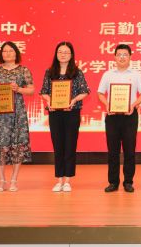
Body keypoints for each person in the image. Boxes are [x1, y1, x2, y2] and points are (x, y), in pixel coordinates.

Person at [0, 41, 35, 192]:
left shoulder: (23, 70)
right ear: (1, 54)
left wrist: (19, 89)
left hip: (17, 114)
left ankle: (14, 180)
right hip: (0, 114)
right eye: (4, 51)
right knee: (0, 146)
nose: (7, 53)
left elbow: (31, 90)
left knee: (18, 145)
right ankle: (2, 180)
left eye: (11, 51)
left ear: (16, 53)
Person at [97, 44, 141, 193]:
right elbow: (100, 93)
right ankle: (113, 182)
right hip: (112, 117)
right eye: (119, 54)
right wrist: (107, 104)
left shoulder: (136, 75)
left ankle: (128, 182)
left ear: (130, 57)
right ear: (114, 57)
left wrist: (133, 105)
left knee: (129, 151)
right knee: (112, 151)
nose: (122, 57)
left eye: (125, 54)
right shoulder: (108, 74)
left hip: (130, 116)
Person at [39, 41, 90, 193]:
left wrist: (73, 100)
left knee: (70, 145)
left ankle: (67, 180)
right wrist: (49, 101)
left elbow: (85, 91)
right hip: (55, 113)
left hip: (72, 113)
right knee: (58, 146)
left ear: (71, 55)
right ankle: (59, 179)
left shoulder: (77, 72)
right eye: (60, 52)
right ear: (56, 54)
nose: (63, 55)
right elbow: (44, 91)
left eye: (66, 52)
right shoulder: (50, 72)